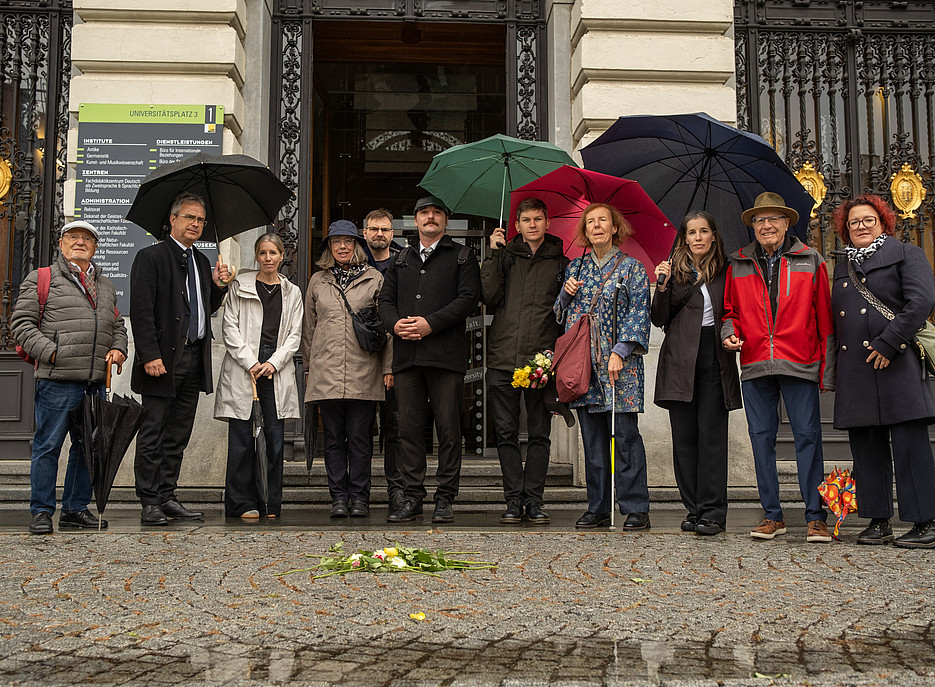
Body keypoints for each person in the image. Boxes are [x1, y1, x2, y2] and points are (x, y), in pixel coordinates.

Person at [721, 191, 834, 543]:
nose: (766, 225)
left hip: (800, 361)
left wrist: (826, 373)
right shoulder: (737, 263)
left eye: (773, 219)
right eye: (759, 220)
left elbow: (825, 320)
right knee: (761, 440)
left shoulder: (811, 259)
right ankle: (773, 515)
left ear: (786, 223)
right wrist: (729, 334)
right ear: (752, 226)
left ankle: (816, 516)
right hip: (755, 363)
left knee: (808, 438)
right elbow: (730, 314)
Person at [830, 194, 935, 548]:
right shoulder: (842, 265)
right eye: (853, 222)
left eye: (868, 220)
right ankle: (877, 520)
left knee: (909, 446)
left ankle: (926, 522)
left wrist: (889, 343)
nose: (860, 226)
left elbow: (921, 302)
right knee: (866, 446)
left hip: (897, 362)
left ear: (883, 223)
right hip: (857, 369)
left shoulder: (907, 254)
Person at [12, 220, 128, 535]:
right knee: (48, 446)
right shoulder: (42, 278)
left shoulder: (105, 285)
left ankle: (75, 510)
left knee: (86, 449)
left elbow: (117, 324)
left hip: (94, 382)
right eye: (73, 237)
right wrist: (52, 353)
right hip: (57, 380)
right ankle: (41, 512)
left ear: (95, 247)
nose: (80, 242)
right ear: (61, 245)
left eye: (87, 239)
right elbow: (21, 324)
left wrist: (119, 348)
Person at [378, 195, 481, 524]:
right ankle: (412, 497)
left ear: (445, 221)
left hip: (446, 358)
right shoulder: (400, 259)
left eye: (437, 212)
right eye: (424, 212)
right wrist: (394, 324)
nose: (431, 217)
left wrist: (430, 324)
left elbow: (469, 300)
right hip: (407, 358)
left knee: (449, 429)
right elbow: (385, 301)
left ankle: (445, 498)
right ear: (415, 220)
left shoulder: (463, 256)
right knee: (408, 430)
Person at [130, 192, 230, 526]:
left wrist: (218, 286)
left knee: (178, 435)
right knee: (153, 432)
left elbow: (203, 310)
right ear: (173, 219)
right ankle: (148, 500)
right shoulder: (151, 257)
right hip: (162, 361)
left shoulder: (201, 262)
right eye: (189, 217)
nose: (196, 224)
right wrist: (149, 354)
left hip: (193, 359)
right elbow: (141, 310)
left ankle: (167, 495)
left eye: (200, 219)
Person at [554, 202, 651, 530]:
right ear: (584, 230)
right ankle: (598, 507)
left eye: (602, 221)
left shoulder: (632, 268)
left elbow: (640, 312)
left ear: (614, 228)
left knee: (625, 437)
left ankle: (636, 506)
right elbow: (559, 316)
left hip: (620, 369)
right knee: (593, 442)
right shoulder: (575, 269)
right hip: (585, 367)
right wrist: (565, 297)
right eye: (590, 222)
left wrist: (620, 351)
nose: (596, 226)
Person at [652, 211, 741, 536]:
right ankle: (694, 509)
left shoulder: (727, 269)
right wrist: (661, 285)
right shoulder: (672, 272)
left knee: (712, 439)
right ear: (685, 238)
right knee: (685, 441)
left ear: (714, 236)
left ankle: (713, 513)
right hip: (679, 360)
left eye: (705, 231)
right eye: (692, 232)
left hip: (715, 357)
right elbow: (658, 318)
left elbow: (734, 309)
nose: (699, 237)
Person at [482, 197, 568, 525]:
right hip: (503, 358)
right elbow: (488, 296)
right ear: (517, 225)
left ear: (548, 223)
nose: (532, 225)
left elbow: (565, 314)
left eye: (538, 219)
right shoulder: (505, 255)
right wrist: (492, 253)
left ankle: (534, 500)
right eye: (526, 220)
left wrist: (555, 354)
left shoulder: (561, 261)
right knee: (505, 433)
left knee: (538, 434)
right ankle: (513, 500)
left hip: (540, 361)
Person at [303, 220, 391, 518]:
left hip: (363, 371)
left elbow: (385, 330)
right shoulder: (318, 280)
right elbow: (309, 329)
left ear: (357, 245)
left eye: (348, 241)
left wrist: (387, 368)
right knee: (332, 439)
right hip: (326, 372)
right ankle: (338, 497)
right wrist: (307, 369)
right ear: (329, 246)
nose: (342, 246)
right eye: (336, 241)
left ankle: (359, 497)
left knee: (359, 438)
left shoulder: (374, 279)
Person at [214, 233, 303, 519]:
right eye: (263, 252)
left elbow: (294, 336)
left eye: (273, 253)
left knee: (274, 438)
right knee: (242, 438)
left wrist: (273, 363)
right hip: (245, 368)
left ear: (281, 256)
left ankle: (269, 502)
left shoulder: (293, 292)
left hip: (275, 370)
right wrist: (251, 362)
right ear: (256, 256)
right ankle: (241, 503)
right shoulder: (240, 286)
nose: (268, 258)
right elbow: (229, 328)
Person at [362, 208, 404, 511]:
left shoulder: (405, 262)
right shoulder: (353, 263)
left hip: (398, 356)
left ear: (393, 233)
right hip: (359, 357)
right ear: (364, 233)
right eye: (374, 229)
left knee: (395, 427)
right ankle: (358, 493)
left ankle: (397, 490)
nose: (379, 234)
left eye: (385, 229)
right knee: (361, 429)